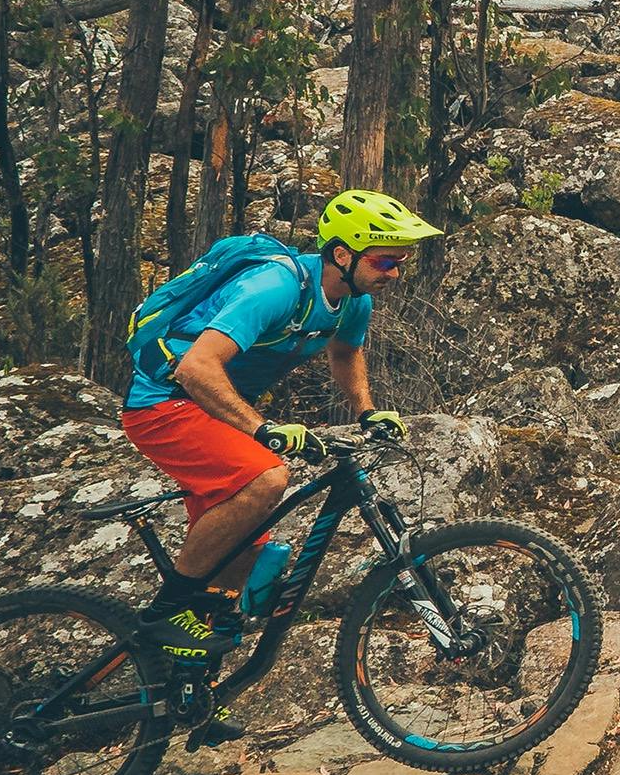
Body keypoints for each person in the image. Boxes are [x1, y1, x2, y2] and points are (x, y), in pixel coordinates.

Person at [123, 189, 439, 691]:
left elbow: (345, 353)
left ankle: (189, 697)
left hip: (212, 409)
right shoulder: (273, 287)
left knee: (239, 559)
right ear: (342, 254)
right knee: (267, 478)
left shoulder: (353, 301)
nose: (393, 273)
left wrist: (367, 411)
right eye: (384, 260)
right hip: (164, 404)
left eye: (400, 262)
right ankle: (167, 610)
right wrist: (262, 430)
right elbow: (196, 368)